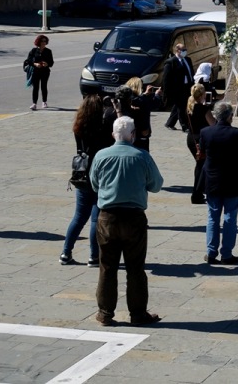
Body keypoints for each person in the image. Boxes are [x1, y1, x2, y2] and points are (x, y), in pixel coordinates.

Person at [89, 116, 164, 327]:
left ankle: (105, 313)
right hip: (134, 218)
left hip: (107, 217)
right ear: (132, 135)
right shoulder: (142, 156)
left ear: (113, 135)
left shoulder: (101, 156)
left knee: (107, 266)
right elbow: (156, 185)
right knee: (135, 268)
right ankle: (138, 314)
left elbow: (94, 184)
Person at [199, 101, 238, 265]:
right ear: (230, 116)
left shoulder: (206, 132)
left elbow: (202, 155)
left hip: (213, 180)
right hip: (233, 181)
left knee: (212, 217)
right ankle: (227, 254)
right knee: (230, 217)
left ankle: (210, 252)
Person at [61, 95, 113, 267]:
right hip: (100, 174)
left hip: (82, 173)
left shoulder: (79, 127)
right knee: (95, 218)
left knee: (78, 216)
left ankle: (66, 252)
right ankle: (93, 256)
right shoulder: (103, 127)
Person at [185, 83, 215, 204]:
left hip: (191, 139)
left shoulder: (189, 107)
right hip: (202, 140)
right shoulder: (203, 109)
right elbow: (212, 124)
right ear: (202, 94)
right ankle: (197, 193)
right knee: (202, 166)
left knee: (200, 165)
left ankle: (199, 192)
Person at [161, 42, 195, 132]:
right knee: (181, 107)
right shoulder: (171, 62)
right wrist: (166, 92)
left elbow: (191, 72)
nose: (185, 52)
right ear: (177, 50)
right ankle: (185, 126)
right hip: (177, 89)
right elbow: (166, 78)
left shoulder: (188, 60)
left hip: (187, 87)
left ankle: (170, 123)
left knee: (178, 106)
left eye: (186, 50)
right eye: (183, 50)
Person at [25, 34, 54, 110]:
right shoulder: (34, 51)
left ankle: (44, 102)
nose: (44, 43)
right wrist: (35, 64)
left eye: (45, 41)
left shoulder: (48, 51)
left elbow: (51, 62)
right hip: (35, 71)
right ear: (38, 42)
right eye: (42, 41)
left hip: (45, 71)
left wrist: (47, 64)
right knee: (36, 87)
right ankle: (34, 103)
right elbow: (28, 61)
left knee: (44, 86)